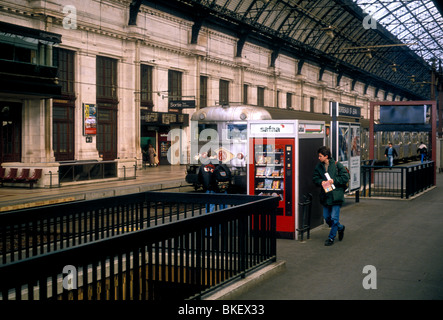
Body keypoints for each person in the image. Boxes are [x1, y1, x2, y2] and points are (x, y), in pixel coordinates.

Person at [312, 146, 350, 246]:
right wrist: (321, 182)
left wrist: (334, 180)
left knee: (334, 218)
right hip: (325, 195)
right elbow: (315, 178)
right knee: (326, 217)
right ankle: (340, 227)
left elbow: (345, 177)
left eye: (320, 156)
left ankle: (331, 238)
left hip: (336, 195)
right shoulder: (319, 167)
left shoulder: (337, 165)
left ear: (326, 156)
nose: (318, 158)